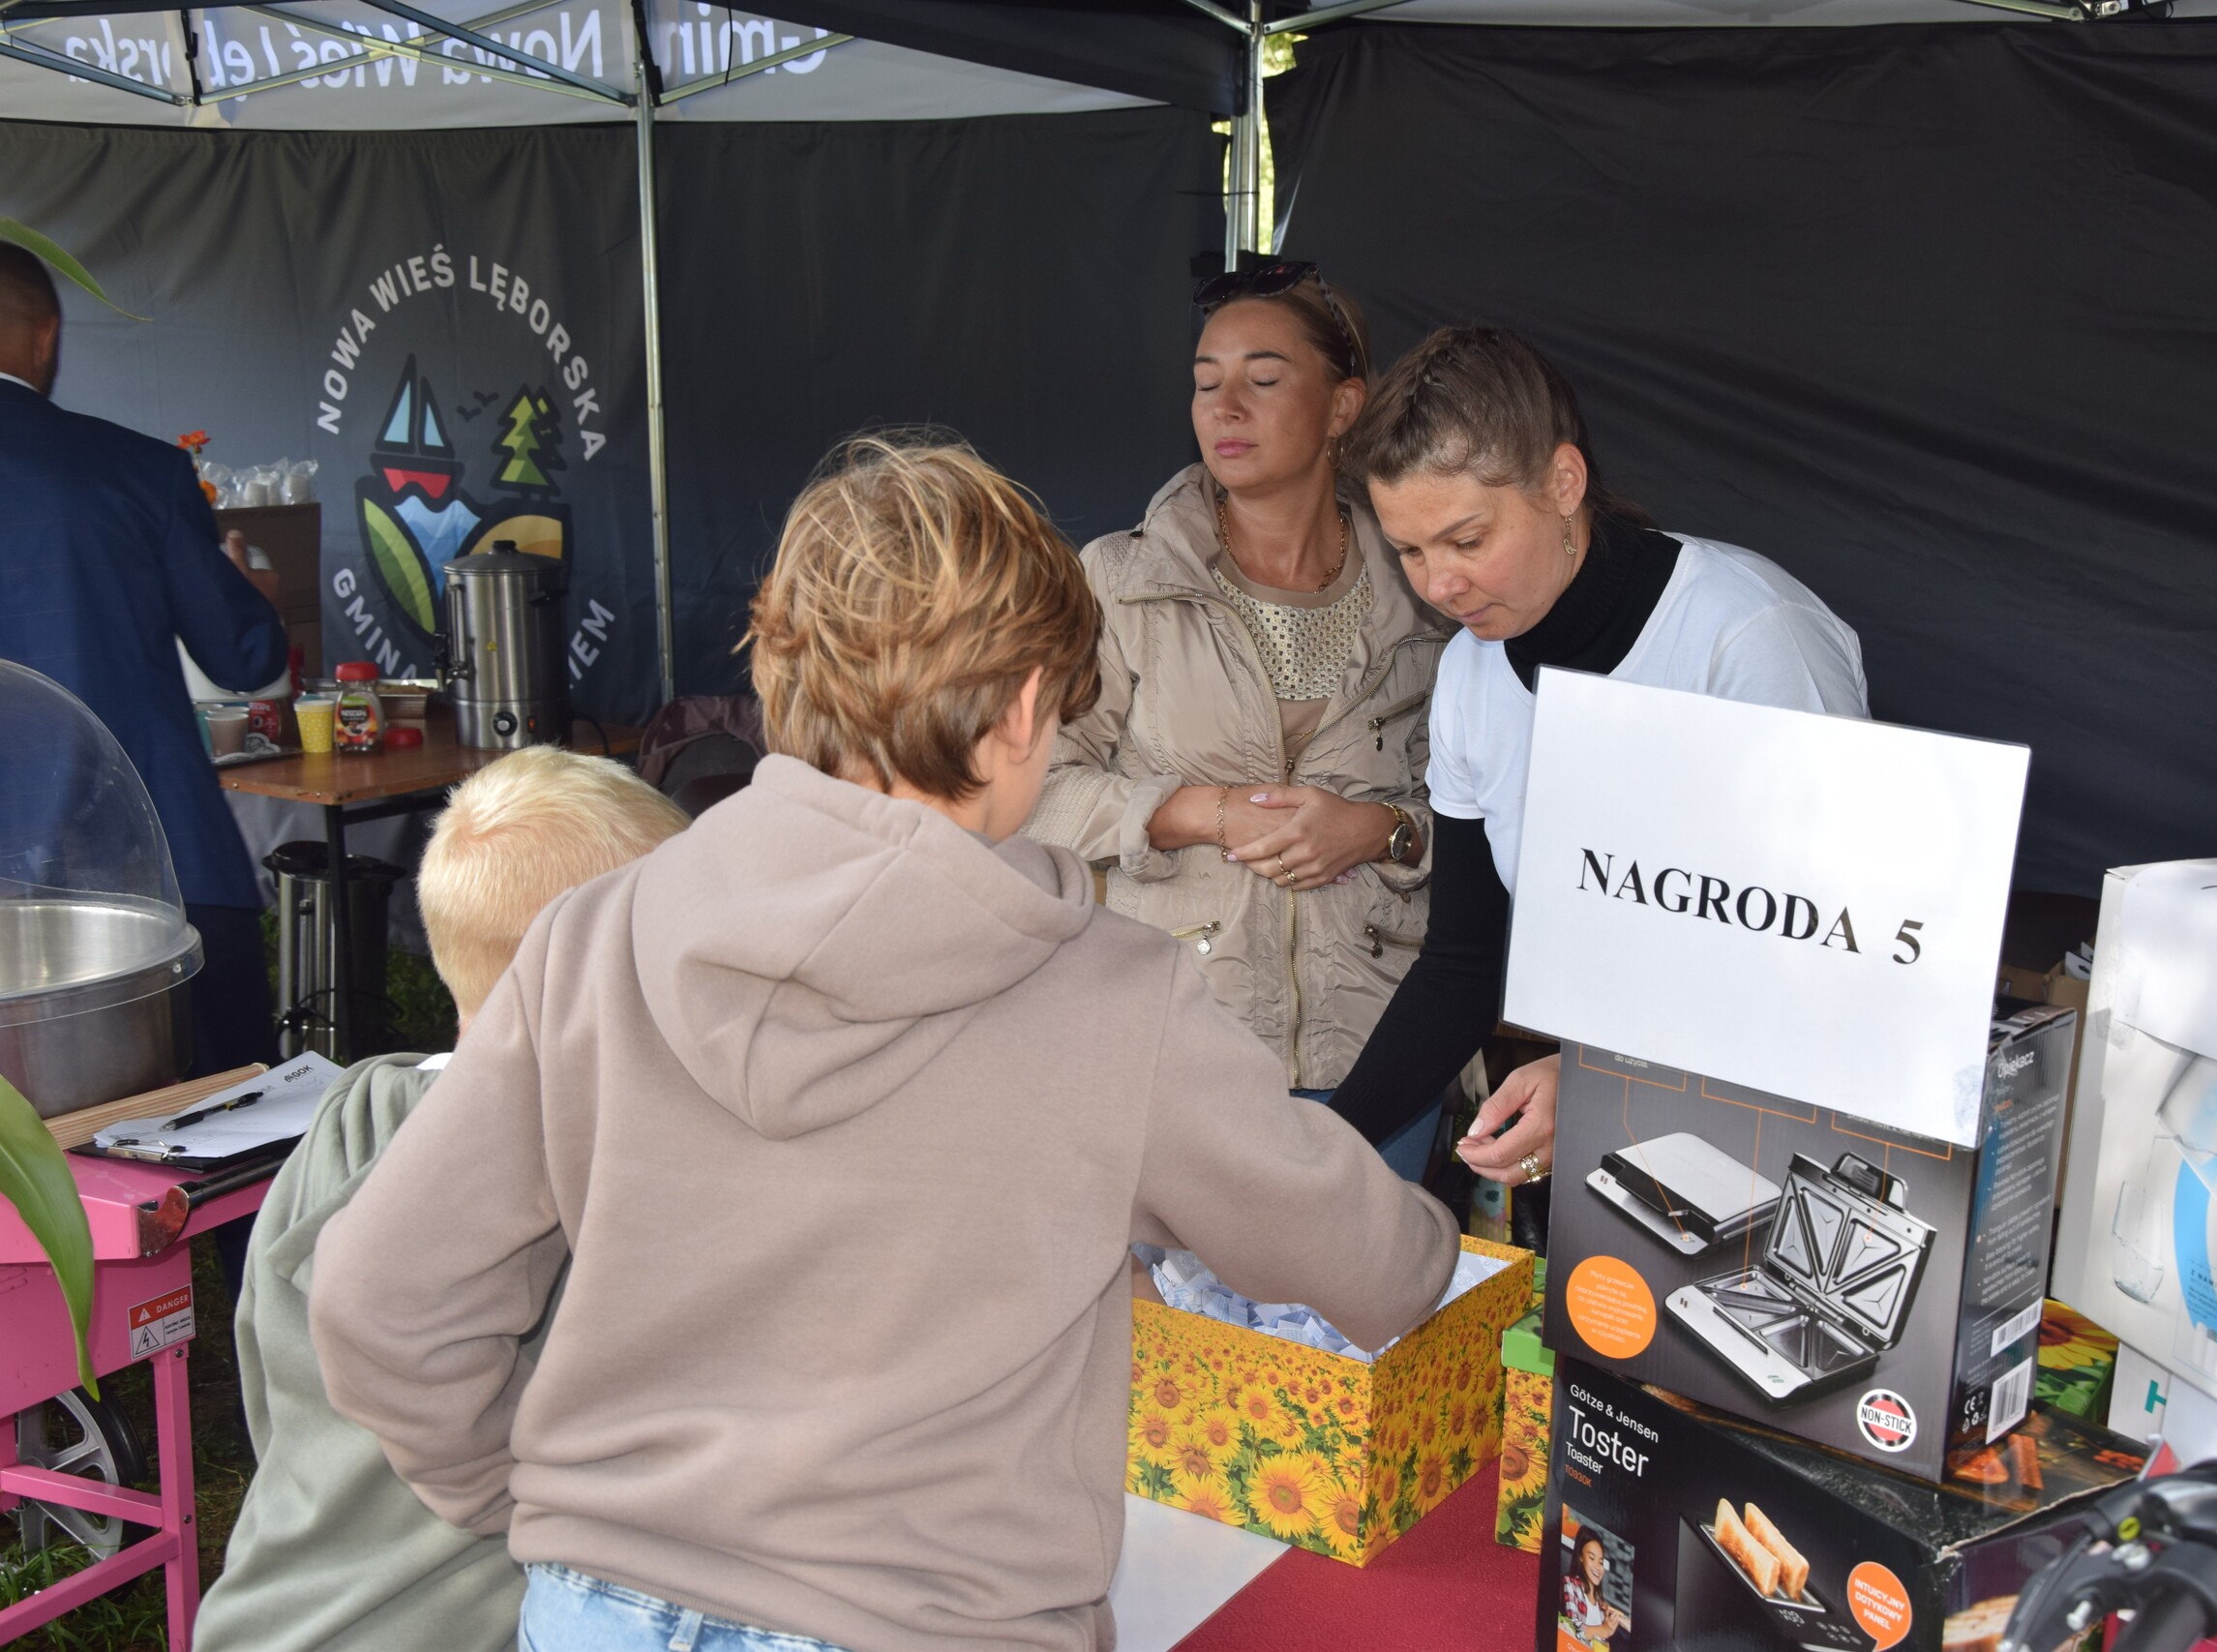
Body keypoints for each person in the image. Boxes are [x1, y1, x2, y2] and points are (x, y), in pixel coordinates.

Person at [308, 437, 1459, 1652]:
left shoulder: (590, 938)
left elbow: (380, 1299)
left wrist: (539, 1506)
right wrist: (1438, 1235)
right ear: (1023, 711)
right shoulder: (1116, 1000)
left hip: (598, 1611)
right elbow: (1377, 1266)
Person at [1326, 326, 1869, 1187]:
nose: (1438, 585)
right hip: (1621, 1142)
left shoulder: (1748, 638)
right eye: (1410, 551)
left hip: (1793, 1146)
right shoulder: (1469, 673)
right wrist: (1321, 1145)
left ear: (1564, 483)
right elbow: (1465, 962)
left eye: (1467, 540)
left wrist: (1606, 1079)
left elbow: (1835, 960)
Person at [194, 747, 688, 1652]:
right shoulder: (586, 1171)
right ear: (599, 977)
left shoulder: (349, 1115)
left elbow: (267, 1384)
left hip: (270, 1618)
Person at [1027, 261, 1451, 1178]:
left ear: (1342, 407)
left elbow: (1489, 822)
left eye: (1262, 379)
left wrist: (1382, 829)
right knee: (1189, 1278)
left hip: (1382, 1042)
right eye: (1205, 381)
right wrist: (1204, 812)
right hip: (1182, 1040)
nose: (1224, 406)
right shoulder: (1122, 581)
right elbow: (1031, 794)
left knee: (1374, 1271)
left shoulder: (1424, 585)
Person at [0, 241, 287, 1081]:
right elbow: (244, 654)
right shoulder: (139, 471)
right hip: (157, 867)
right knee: (228, 1116)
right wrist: (257, 594)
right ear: (46, 336)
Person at [1560, 1529, 1632, 1647]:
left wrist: (1621, 1621)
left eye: (1601, 1562)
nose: (1598, 1567)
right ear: (1580, 1557)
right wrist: (1603, 1629)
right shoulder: (1570, 1583)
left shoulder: (1602, 1605)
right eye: (1592, 1558)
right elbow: (1570, 1627)